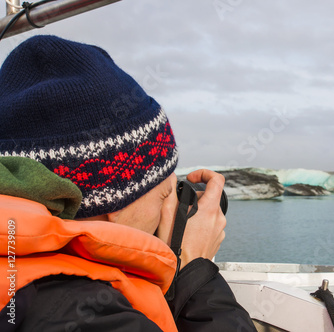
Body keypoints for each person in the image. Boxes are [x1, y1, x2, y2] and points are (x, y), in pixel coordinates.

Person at [0, 35, 257, 331]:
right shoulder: (75, 311)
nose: (174, 208)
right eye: (164, 195)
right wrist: (195, 273)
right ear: (112, 206)